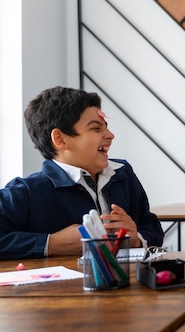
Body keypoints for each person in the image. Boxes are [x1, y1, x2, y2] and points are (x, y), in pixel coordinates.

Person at [0, 86, 164, 259]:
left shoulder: (123, 174)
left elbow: (151, 226)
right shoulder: (26, 191)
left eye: (106, 127)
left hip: (126, 283)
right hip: (63, 285)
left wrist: (137, 239)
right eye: (96, 128)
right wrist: (52, 243)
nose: (110, 135)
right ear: (60, 139)